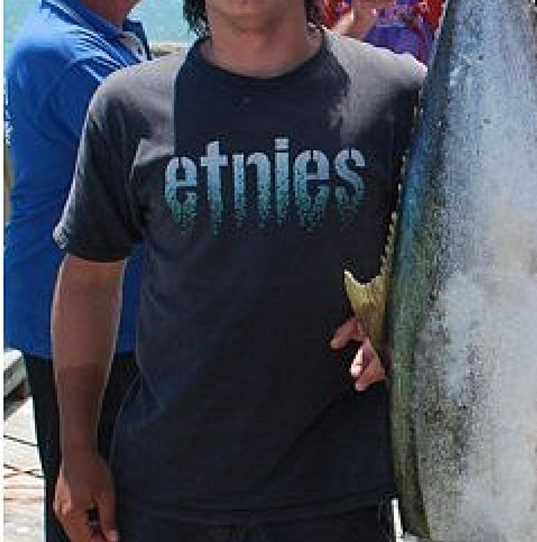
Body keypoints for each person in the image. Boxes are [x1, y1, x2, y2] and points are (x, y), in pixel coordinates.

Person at [50, 0, 424, 540]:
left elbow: (456, 271)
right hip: (167, 494)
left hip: (338, 496)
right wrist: (78, 448)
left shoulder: (400, 95)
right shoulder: (126, 107)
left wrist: (400, 335)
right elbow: (88, 280)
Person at [4, 1, 150, 540]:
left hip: (103, 307)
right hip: (81, 319)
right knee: (91, 500)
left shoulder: (107, 35)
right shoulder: (65, 52)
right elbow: (160, 144)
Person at [322, 0, 443, 64]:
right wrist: (358, 20)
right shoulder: (325, 4)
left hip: (417, 102)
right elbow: (318, 67)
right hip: (350, 101)